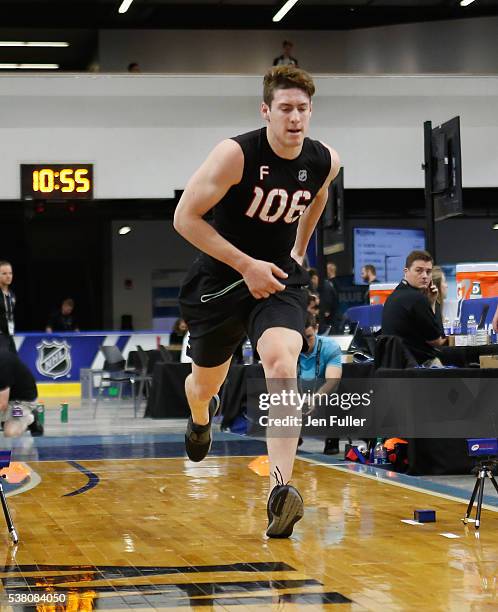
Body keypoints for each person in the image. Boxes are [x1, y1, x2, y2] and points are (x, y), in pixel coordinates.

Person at [174, 65, 340, 537]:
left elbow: (318, 196)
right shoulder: (235, 155)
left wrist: (298, 250)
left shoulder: (324, 158)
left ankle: (281, 491)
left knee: (282, 363)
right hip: (220, 283)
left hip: (276, 279)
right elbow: (185, 219)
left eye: (303, 109)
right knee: (204, 385)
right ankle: (200, 417)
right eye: (285, 109)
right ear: (266, 111)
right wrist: (246, 264)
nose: (295, 118)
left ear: (311, 112)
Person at [381, 250, 445, 366]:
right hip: (418, 366)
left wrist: (430, 303)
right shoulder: (417, 299)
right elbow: (437, 341)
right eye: (419, 271)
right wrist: (434, 303)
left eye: (428, 271)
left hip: (396, 366)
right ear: (406, 272)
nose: (425, 276)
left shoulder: (393, 296)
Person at [299, 314, 342, 454]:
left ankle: (332, 439)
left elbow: (333, 379)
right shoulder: (289, 347)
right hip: (296, 390)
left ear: (316, 329)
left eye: (309, 337)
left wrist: (315, 398)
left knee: (336, 396)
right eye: (302, 338)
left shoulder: (330, 346)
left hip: (321, 391)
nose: (306, 343)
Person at [0, 351, 44, 437]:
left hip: (21, 401)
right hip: (5, 396)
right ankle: (5, 419)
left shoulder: (3, 364)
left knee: (10, 433)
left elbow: (2, 404)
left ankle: (31, 418)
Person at [0, 261, 16, 353]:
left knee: (15, 363)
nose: (8, 276)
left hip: (9, 336)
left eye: (10, 273)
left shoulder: (12, 295)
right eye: (4, 273)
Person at [431, 265, 448, 334]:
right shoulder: (434, 306)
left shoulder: (436, 306)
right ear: (436, 286)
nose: (447, 285)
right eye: (444, 281)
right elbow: (438, 337)